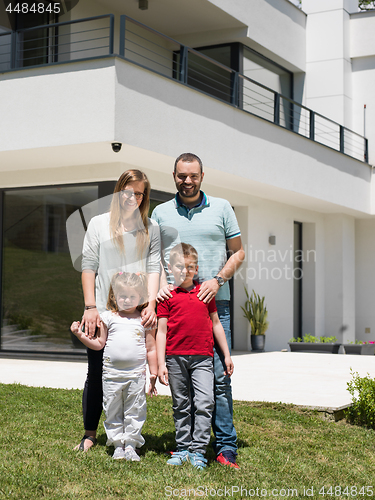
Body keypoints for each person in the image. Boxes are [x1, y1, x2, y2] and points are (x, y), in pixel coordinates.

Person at [152, 153, 245, 469]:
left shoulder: (222, 208)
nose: (187, 181)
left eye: (192, 176)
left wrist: (218, 280)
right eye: (181, 176)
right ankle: (189, 444)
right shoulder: (161, 213)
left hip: (215, 305)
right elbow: (153, 257)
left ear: (202, 176)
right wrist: (160, 286)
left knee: (218, 379)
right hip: (175, 307)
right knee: (181, 379)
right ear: (174, 175)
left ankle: (225, 446)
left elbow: (239, 252)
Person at [75, 169, 160, 452]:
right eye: (128, 191)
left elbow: (153, 268)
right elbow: (89, 266)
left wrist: (152, 304)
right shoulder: (99, 224)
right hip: (101, 311)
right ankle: (90, 434)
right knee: (96, 371)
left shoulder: (151, 229)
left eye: (139, 193)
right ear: (118, 191)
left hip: (137, 314)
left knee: (133, 375)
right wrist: (90, 307)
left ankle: (127, 437)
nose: (132, 198)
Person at [156, 243, 233, 470]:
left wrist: (227, 356)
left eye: (190, 267)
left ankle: (198, 451)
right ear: (170, 268)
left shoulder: (204, 294)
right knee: (181, 404)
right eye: (180, 266)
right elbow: (161, 331)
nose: (185, 270)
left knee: (205, 402)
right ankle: (182, 449)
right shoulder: (167, 296)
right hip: (175, 358)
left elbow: (216, 325)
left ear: (196, 269)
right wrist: (161, 363)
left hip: (203, 359)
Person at [71, 271, 157, 460]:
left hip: (136, 375)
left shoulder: (144, 320)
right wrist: (80, 335)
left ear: (140, 297)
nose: (127, 300)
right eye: (122, 296)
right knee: (113, 410)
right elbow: (99, 344)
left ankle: (131, 445)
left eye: (132, 296)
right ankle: (118, 444)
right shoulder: (108, 318)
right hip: (111, 375)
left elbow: (151, 348)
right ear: (114, 296)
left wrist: (154, 373)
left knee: (135, 410)